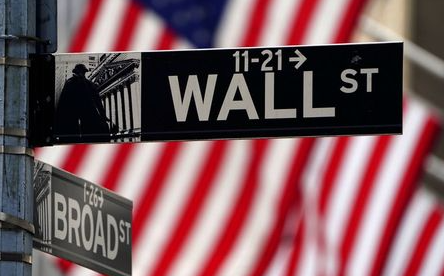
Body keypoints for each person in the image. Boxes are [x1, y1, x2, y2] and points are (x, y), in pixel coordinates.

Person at [54, 63, 110, 142]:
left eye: (83, 72)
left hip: (83, 118)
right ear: (77, 72)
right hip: (75, 118)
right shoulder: (75, 83)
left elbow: (98, 101)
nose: (82, 74)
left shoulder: (85, 84)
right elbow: (63, 103)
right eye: (81, 72)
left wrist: (103, 115)